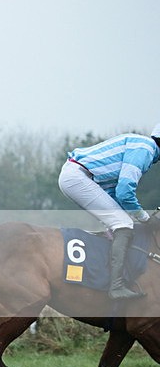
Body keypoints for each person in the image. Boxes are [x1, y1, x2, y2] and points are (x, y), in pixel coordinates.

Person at [59, 123, 160, 300]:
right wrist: (144, 218)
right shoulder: (146, 149)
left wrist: (135, 216)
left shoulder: (144, 148)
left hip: (77, 175)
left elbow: (113, 191)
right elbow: (124, 191)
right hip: (78, 177)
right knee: (123, 223)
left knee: (121, 222)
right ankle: (116, 286)